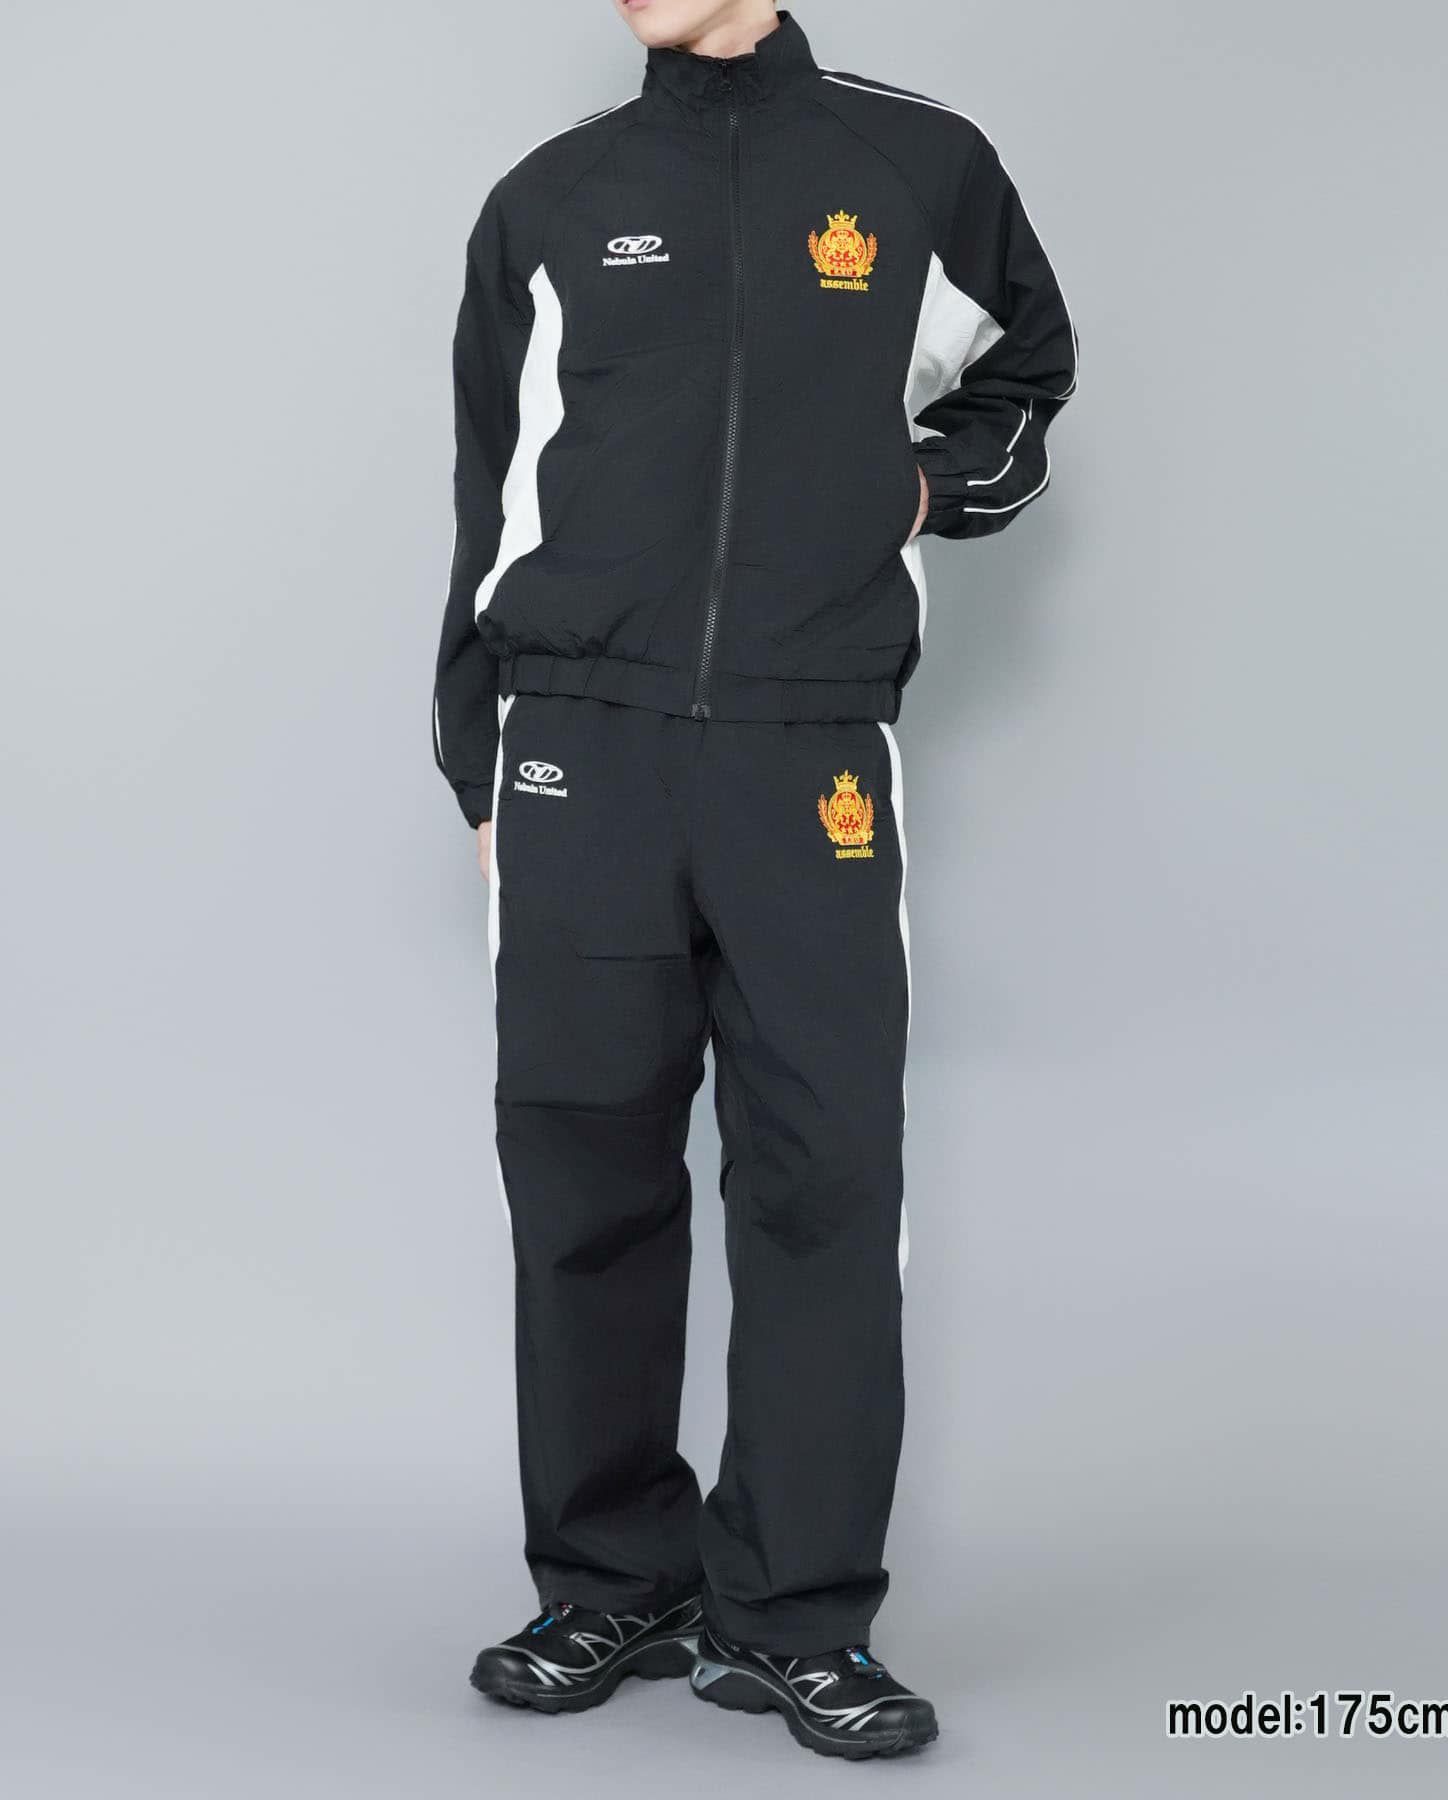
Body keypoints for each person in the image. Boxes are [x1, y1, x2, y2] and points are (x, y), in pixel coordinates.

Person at [434, 0, 1075, 1761]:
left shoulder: (917, 164)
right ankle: (608, 1585)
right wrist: (478, 755)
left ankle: (794, 1616)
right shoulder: (549, 201)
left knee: (823, 1176)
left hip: (809, 749)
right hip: (579, 748)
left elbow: (1027, 374)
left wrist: (920, 489)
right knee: (584, 1174)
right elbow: (492, 497)